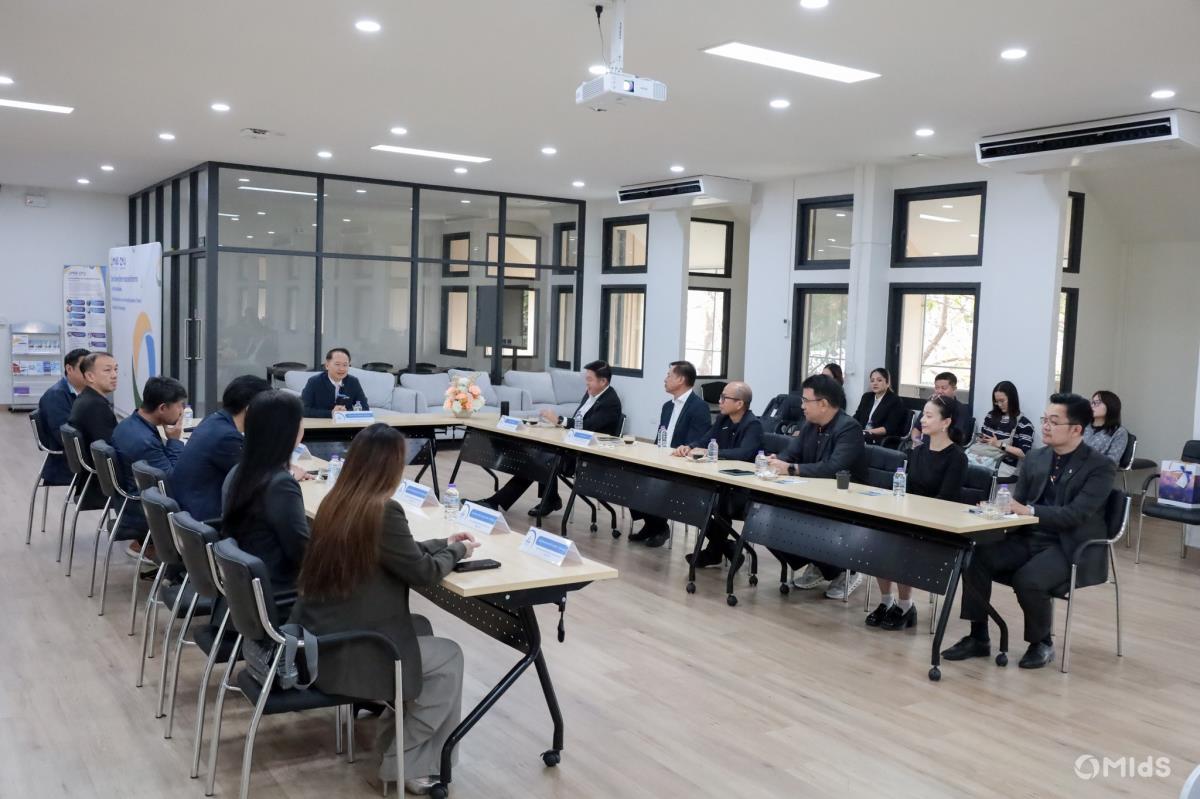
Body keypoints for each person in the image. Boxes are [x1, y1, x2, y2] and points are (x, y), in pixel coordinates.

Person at [289, 424, 480, 793]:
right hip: (352, 650)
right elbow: (423, 573)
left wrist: (442, 542)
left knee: (420, 627)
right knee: (450, 656)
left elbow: (395, 551)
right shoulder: (383, 510)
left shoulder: (338, 501)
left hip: (323, 638)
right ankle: (405, 765)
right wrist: (458, 551)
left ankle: (396, 745)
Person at [942, 393, 1116, 670]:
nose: (1045, 426)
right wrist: (996, 509)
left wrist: (1029, 511)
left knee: (1028, 579)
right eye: (1045, 419)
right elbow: (1018, 504)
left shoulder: (1100, 466)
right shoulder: (1036, 458)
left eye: (1054, 422)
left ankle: (1041, 642)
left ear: (1076, 429)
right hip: (1028, 536)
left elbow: (1076, 514)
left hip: (1071, 545)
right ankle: (978, 636)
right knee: (975, 557)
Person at [866, 395, 967, 630]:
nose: (922, 420)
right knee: (879, 537)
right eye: (923, 415)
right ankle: (886, 601)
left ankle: (905, 605)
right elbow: (907, 489)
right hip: (912, 517)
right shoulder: (917, 452)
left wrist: (914, 512)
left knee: (901, 543)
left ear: (946, 422)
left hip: (937, 524)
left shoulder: (957, 458)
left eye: (929, 416)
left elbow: (946, 500)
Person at [765, 373, 869, 598]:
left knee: (804, 522)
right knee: (767, 520)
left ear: (823, 404)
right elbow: (791, 453)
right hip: (811, 492)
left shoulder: (849, 428)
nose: (802, 406)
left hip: (844, 497)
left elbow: (833, 468)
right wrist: (775, 461)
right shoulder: (810, 424)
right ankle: (822, 565)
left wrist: (791, 469)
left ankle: (846, 571)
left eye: (806, 400)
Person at [477, 360, 622, 517]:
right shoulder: (590, 393)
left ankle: (538, 500)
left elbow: (588, 427)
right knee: (536, 457)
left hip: (588, 457)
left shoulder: (610, 402)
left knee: (539, 460)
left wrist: (560, 420)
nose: (586, 383)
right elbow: (578, 422)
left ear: (603, 381)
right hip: (573, 447)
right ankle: (543, 500)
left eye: (589, 379)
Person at [221, 390, 310, 594]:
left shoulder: (239, 471)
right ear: (288, 431)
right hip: (280, 590)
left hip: (246, 587)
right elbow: (303, 553)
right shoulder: (280, 484)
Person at [676, 381, 763, 568]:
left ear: (739, 404)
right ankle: (725, 548)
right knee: (693, 501)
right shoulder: (723, 419)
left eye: (724, 398)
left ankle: (715, 551)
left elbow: (744, 453)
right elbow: (705, 440)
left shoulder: (753, 425)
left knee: (707, 503)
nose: (719, 401)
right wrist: (689, 447)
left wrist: (712, 453)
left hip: (743, 489)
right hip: (722, 482)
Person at [629, 361, 712, 547]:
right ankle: (651, 524)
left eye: (668, 375)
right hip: (661, 460)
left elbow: (696, 444)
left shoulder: (699, 407)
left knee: (653, 483)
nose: (665, 379)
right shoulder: (667, 406)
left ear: (681, 379)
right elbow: (660, 438)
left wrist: (680, 452)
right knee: (630, 476)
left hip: (681, 465)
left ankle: (659, 527)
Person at [171, 375, 272, 523]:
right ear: (250, 409)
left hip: (188, 513)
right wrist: (291, 472)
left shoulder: (214, 420)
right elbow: (257, 480)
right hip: (206, 519)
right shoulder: (226, 437)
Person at [110, 376, 188, 536]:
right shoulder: (144, 441)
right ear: (162, 408)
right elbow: (172, 481)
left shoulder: (127, 424)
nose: (182, 411)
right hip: (142, 509)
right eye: (180, 405)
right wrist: (174, 441)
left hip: (128, 500)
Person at [67, 352, 120, 509]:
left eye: (116, 369)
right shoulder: (95, 406)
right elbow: (111, 451)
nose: (114, 375)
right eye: (107, 370)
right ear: (90, 376)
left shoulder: (85, 399)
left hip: (89, 480)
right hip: (101, 486)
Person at [36, 347, 89, 486]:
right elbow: (65, 436)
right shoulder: (56, 396)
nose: (89, 373)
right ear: (69, 369)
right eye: (84, 368)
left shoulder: (85, 393)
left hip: (80, 454)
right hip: (67, 461)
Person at [976, 381, 1036, 477]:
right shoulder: (990, 416)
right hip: (983, 457)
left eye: (1002, 401)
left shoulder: (1024, 424)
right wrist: (982, 439)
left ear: (1012, 399)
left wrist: (1000, 445)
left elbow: (1024, 454)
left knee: (976, 475)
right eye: (996, 401)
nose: (999, 405)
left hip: (1004, 465)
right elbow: (984, 437)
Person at [301, 347, 369, 418]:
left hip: (345, 423)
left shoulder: (353, 382)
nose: (341, 369)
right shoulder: (314, 382)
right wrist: (331, 413)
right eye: (337, 364)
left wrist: (346, 413)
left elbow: (365, 408)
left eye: (345, 365)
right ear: (327, 365)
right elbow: (303, 410)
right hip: (321, 423)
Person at [852, 367, 908, 445]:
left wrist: (865, 432)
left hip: (882, 439)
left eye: (879, 380)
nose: (875, 383)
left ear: (887, 383)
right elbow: (857, 417)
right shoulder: (866, 397)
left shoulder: (895, 401)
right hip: (863, 435)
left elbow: (888, 428)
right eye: (872, 381)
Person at [1083, 390, 1130, 465]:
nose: (1092, 406)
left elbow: (1112, 461)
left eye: (1097, 402)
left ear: (1110, 406)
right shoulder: (1083, 426)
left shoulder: (1119, 432)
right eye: (1092, 402)